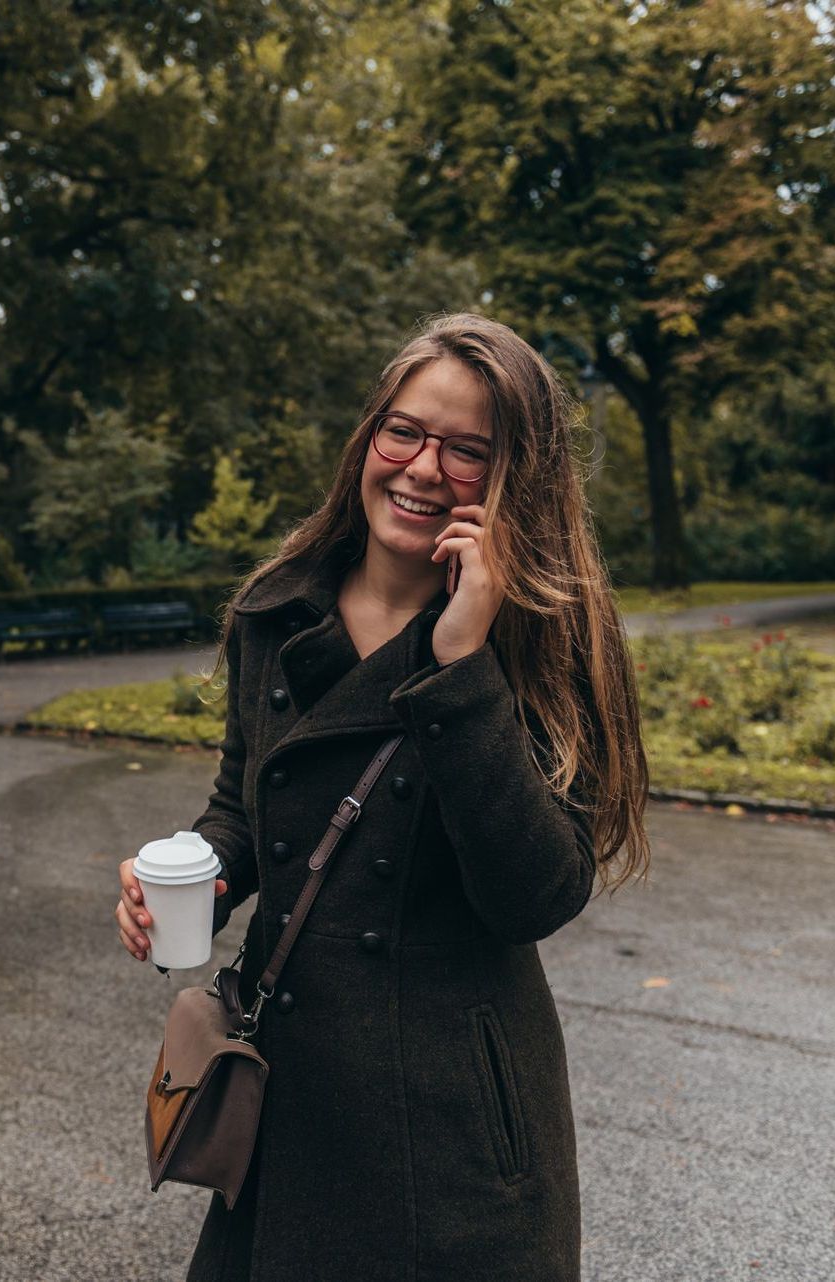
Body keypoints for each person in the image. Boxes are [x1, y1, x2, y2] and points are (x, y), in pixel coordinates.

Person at [116, 312, 650, 1282]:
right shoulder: (275, 611)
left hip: (450, 1132)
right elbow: (242, 805)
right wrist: (196, 873)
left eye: (465, 451)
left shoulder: (539, 638)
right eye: (401, 430)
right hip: (290, 1107)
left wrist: (459, 663)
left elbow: (534, 893)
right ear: (368, 437)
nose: (419, 467)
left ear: (510, 481)